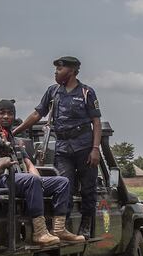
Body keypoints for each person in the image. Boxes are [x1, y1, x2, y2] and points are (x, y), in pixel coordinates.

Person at [14, 55, 103, 238]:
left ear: (71, 71)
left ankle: (86, 225)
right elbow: (37, 114)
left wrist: (95, 149)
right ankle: (64, 226)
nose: (56, 72)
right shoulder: (53, 92)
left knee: (88, 188)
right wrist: (15, 131)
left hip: (84, 146)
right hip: (62, 147)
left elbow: (96, 122)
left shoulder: (86, 92)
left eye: (59, 69)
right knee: (65, 187)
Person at [0, 98, 82, 245]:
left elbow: (29, 164)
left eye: (10, 113)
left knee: (62, 182)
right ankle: (40, 232)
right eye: (2, 113)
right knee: (32, 180)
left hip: (16, 178)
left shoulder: (12, 138)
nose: (6, 116)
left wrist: (39, 181)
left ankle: (59, 229)